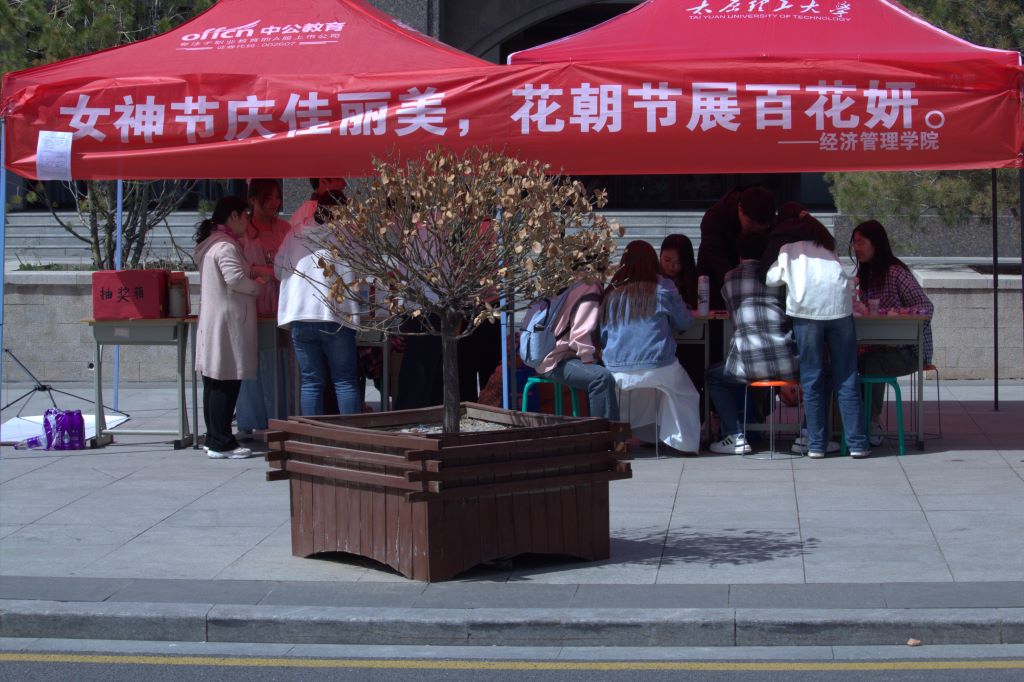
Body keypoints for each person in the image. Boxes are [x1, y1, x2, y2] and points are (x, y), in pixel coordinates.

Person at [765, 212, 870, 459]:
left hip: (807, 312)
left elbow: (771, 279)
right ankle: (857, 443)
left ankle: (815, 445)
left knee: (812, 378)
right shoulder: (827, 249)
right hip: (840, 310)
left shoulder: (788, 249)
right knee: (847, 376)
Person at [601, 240, 700, 453]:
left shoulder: (611, 291)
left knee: (639, 392)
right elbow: (684, 322)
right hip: (658, 365)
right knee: (685, 394)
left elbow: (603, 335)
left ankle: (634, 436)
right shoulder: (664, 286)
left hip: (617, 370)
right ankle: (682, 443)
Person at [706, 229, 799, 454]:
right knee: (824, 374)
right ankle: (809, 434)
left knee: (713, 377)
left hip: (746, 365)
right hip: (787, 362)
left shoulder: (729, 278)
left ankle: (734, 435)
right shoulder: (779, 276)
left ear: (739, 253)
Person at [275, 194, 362, 416]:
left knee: (311, 381)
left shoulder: (295, 233)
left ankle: (312, 433)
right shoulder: (347, 234)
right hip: (336, 315)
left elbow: (278, 269)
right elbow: (365, 265)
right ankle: (351, 433)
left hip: (300, 314)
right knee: (344, 380)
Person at [851, 219, 935, 443]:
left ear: (876, 243)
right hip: (875, 347)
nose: (856, 248)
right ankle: (842, 424)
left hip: (910, 351)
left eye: (861, 242)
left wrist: (896, 314)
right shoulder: (865, 275)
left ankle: (871, 423)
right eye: (854, 243)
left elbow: (926, 307)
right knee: (842, 362)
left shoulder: (896, 273)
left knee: (874, 364)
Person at [194, 196, 265, 459]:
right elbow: (235, 279)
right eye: (246, 215)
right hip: (228, 322)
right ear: (233, 216)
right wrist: (257, 286)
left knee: (214, 381)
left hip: (216, 319)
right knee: (226, 381)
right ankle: (221, 442)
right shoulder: (224, 245)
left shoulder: (211, 242)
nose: (248, 221)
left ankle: (214, 437)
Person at [236, 179, 292, 435]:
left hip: (283, 301)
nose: (274, 203)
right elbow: (238, 266)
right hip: (254, 301)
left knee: (283, 358)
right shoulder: (243, 230)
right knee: (254, 359)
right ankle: (252, 418)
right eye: (267, 198)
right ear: (253, 200)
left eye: (277, 197)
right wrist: (263, 272)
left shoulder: (285, 228)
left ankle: (283, 415)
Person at [533, 274, 619, 421]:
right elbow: (580, 334)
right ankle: (604, 433)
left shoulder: (567, 280)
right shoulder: (590, 286)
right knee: (602, 378)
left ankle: (600, 428)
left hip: (543, 354)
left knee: (600, 372)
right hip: (556, 359)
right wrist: (588, 358)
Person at [660, 234, 698, 309]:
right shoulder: (652, 279)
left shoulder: (694, 284)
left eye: (679, 262)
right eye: (667, 260)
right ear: (660, 255)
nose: (671, 266)